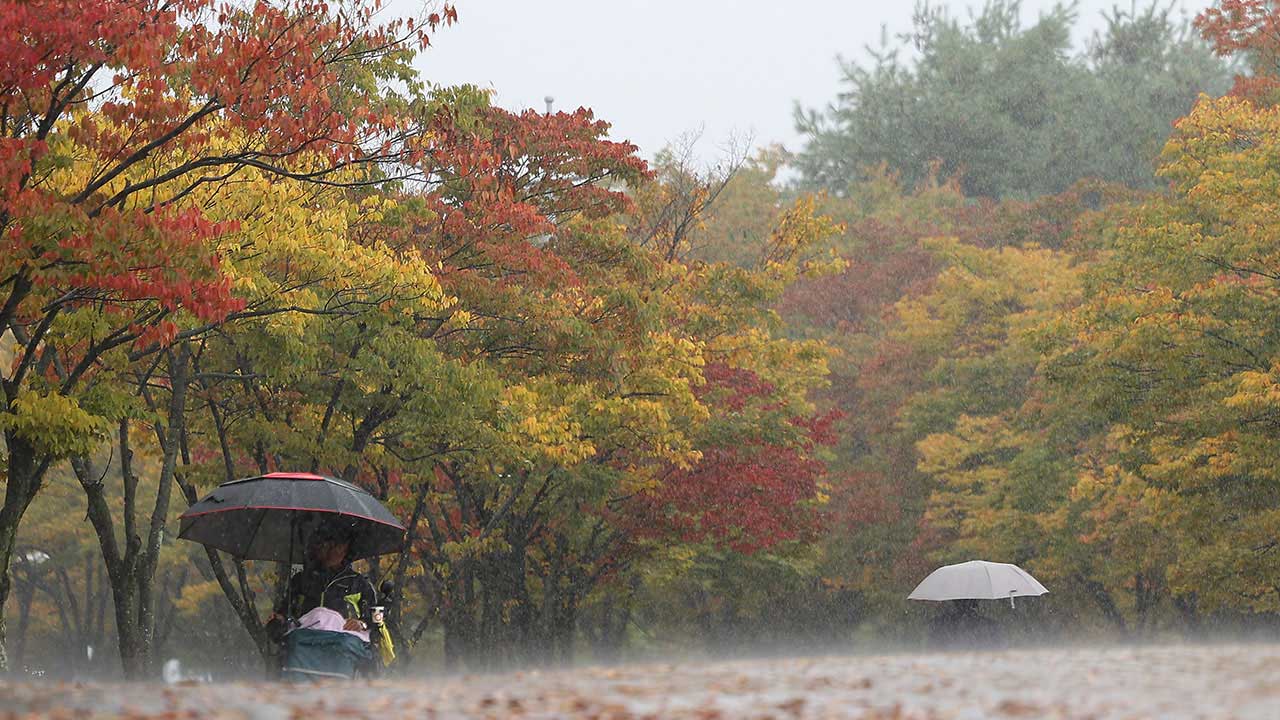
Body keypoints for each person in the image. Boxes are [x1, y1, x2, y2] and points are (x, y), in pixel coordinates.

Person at [269, 519, 390, 675]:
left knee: (346, 647)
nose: (330, 550)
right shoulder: (301, 580)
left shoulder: (358, 583)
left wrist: (363, 623)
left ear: (346, 548)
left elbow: (378, 615)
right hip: (305, 638)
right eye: (324, 544)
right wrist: (279, 619)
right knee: (292, 644)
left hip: (344, 638)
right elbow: (286, 611)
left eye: (336, 545)